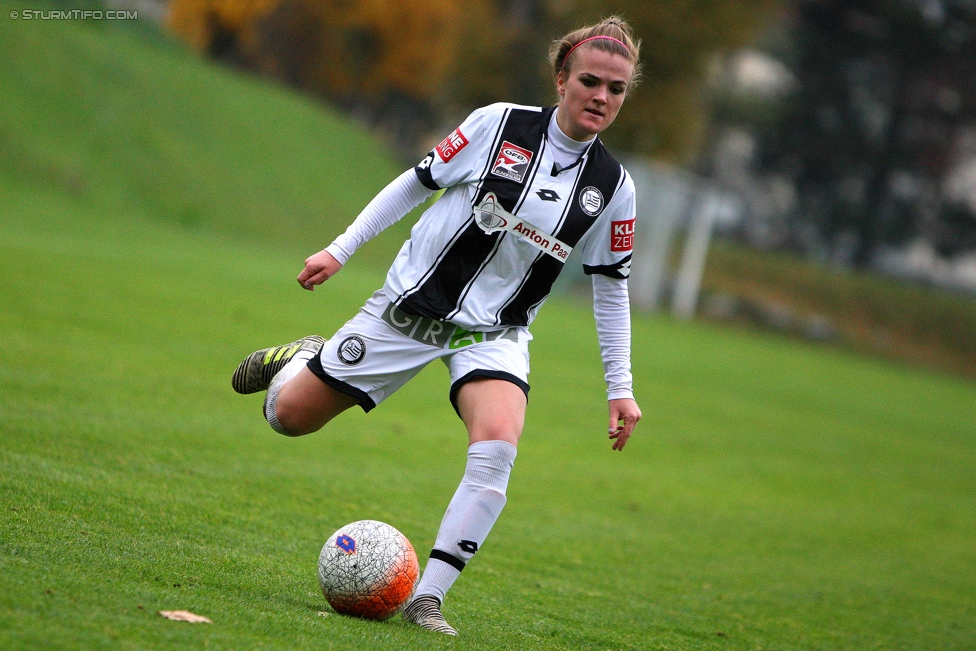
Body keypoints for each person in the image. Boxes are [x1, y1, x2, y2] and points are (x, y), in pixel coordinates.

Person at [231, 16, 643, 636]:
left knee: (499, 445)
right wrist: (340, 250)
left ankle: (428, 598)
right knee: (288, 416)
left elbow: (612, 288)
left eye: (616, 89)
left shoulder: (615, 187)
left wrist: (621, 385)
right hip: (407, 311)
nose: (601, 98)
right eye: (590, 81)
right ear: (562, 79)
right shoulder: (496, 125)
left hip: (493, 334)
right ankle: (302, 358)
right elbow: (415, 184)